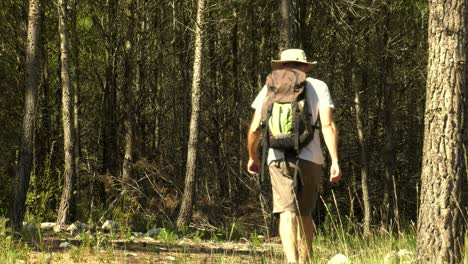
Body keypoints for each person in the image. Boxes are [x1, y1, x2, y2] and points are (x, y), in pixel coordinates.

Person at [247, 49, 342, 263]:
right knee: (305, 212)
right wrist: (335, 160)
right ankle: (305, 260)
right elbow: (327, 124)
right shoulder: (319, 86)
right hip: (312, 158)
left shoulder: (270, 87)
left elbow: (254, 128)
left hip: (277, 157)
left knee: (286, 212)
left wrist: (252, 156)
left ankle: (291, 261)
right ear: (306, 66)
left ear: (281, 65)